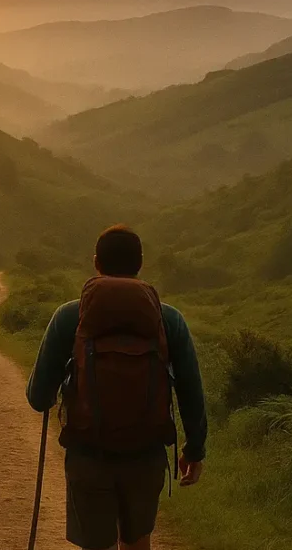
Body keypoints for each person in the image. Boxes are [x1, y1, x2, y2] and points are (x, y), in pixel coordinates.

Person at [27, 225, 208, 550]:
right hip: (145, 455)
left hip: (88, 455)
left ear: (96, 262)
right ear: (140, 263)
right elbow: (191, 392)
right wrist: (194, 450)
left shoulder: (69, 316)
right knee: (137, 543)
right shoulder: (169, 319)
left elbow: (38, 398)